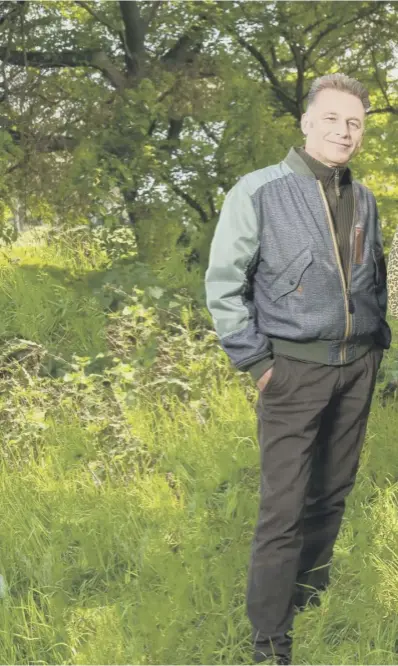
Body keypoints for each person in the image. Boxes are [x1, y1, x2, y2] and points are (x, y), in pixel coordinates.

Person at [204, 73, 391, 665]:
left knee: (331, 492)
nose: (344, 131)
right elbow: (224, 287)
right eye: (333, 119)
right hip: (292, 374)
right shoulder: (257, 192)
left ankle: (309, 598)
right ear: (307, 123)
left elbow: (375, 278)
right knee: (283, 507)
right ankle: (270, 640)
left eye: (355, 122)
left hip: (356, 367)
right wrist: (260, 365)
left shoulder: (363, 199)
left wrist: (377, 346)